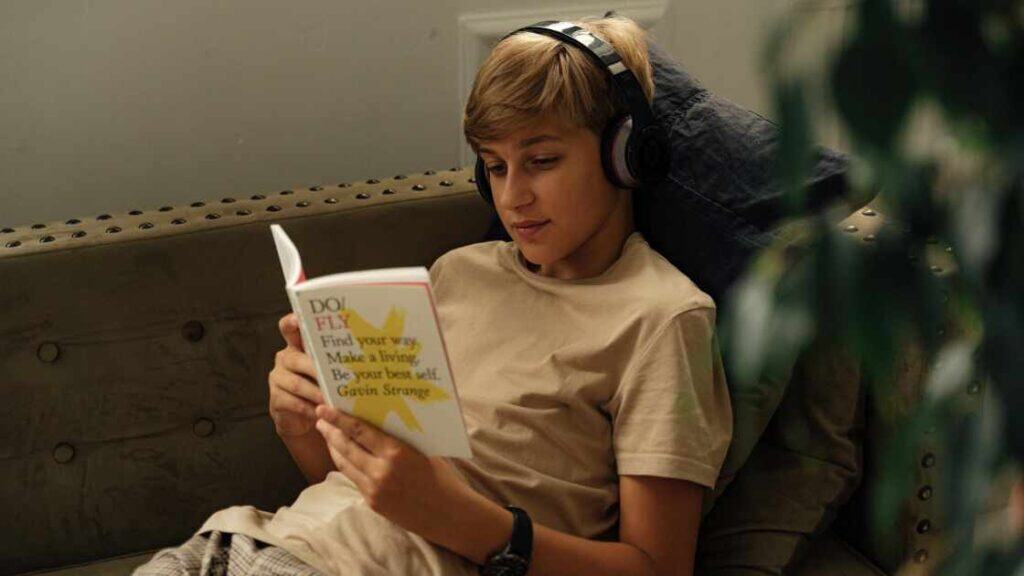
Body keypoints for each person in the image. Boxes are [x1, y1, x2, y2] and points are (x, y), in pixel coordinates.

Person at [133, 14, 732, 576]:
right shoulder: (458, 273)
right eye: (495, 168)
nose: (513, 196)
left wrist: (467, 522)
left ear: (625, 154)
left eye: (542, 161)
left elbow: (658, 567)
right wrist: (302, 426)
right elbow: (364, 487)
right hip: (239, 543)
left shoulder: (663, 319)